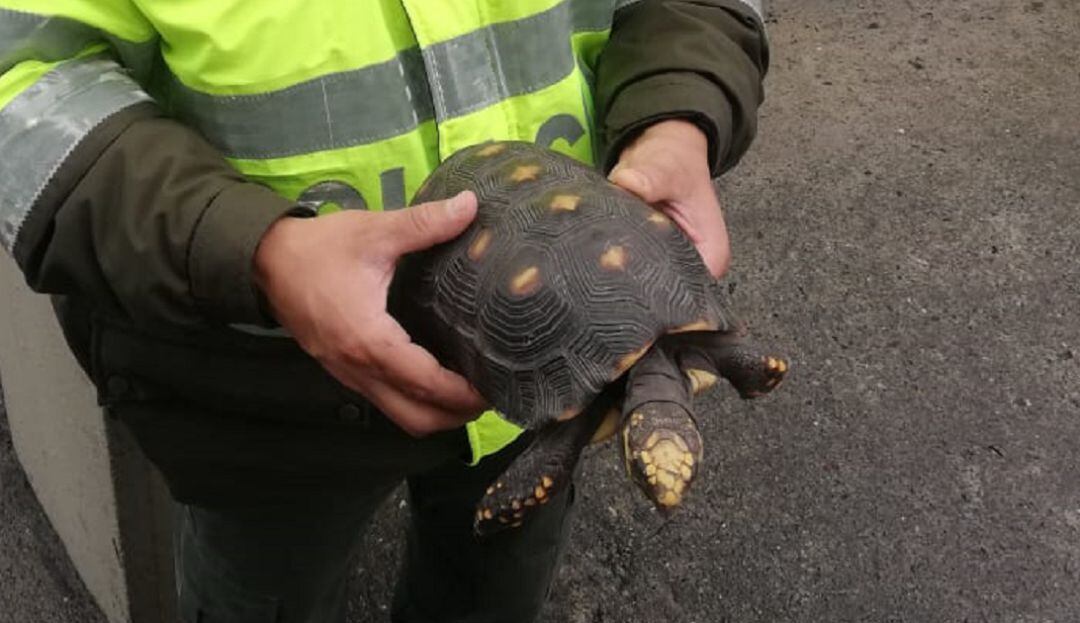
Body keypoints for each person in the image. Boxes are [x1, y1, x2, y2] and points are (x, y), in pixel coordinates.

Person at [0, 0, 769, 621]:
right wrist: (250, 248)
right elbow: (20, 83)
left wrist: (679, 109)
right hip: (264, 399)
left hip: (533, 380)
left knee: (493, 576)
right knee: (267, 585)